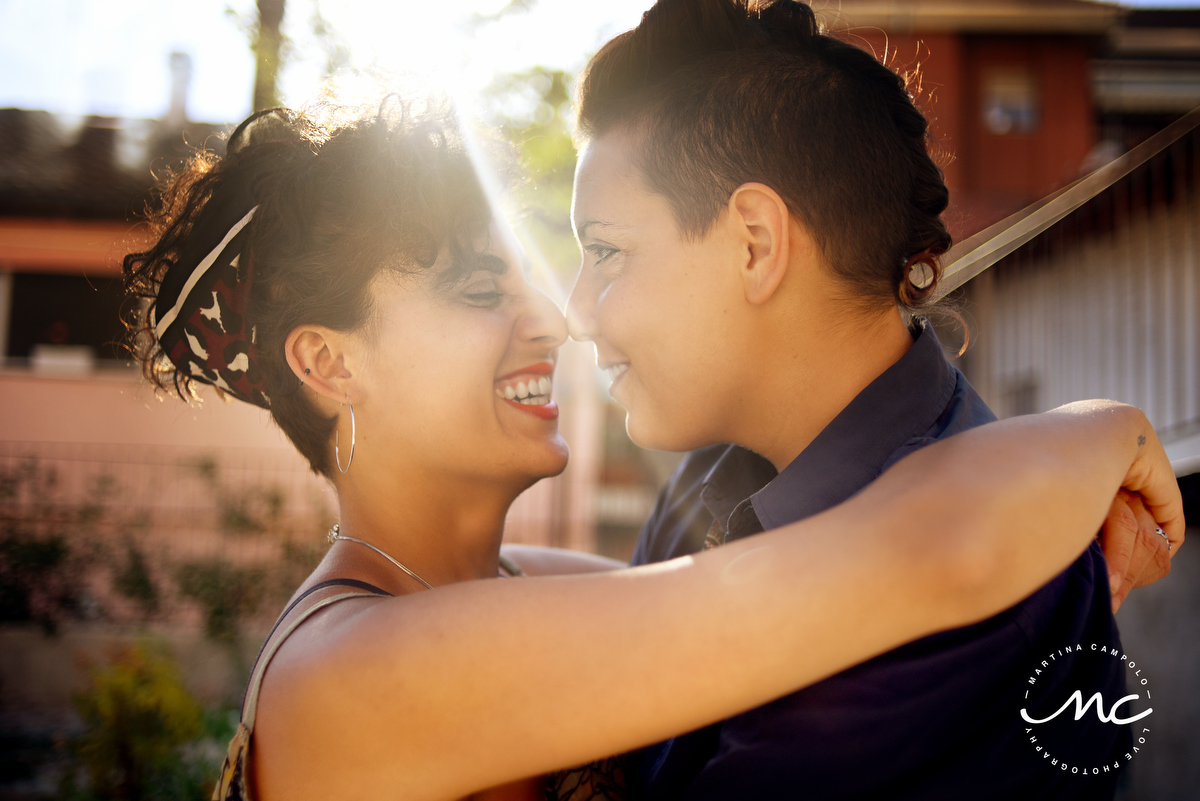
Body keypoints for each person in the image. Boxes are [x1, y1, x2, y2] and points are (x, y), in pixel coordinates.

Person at [121, 101, 1181, 801]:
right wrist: (1105, 430)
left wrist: (1064, 562)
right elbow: (919, 558)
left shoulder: (521, 586)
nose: (555, 322)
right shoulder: (344, 675)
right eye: (481, 291)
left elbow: (860, 621)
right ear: (329, 363)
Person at [563, 1, 1182, 798]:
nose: (574, 311)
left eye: (607, 251)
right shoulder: (714, 474)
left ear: (756, 242)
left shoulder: (996, 592)